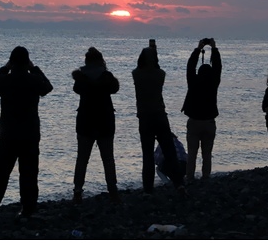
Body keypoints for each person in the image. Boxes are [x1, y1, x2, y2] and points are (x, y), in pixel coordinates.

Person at [0, 46, 53, 223]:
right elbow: (47, 87)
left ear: (12, 62)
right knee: (28, 174)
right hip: (29, 134)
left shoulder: (6, 80)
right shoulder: (33, 80)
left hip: (9, 135)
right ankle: (28, 209)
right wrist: (34, 68)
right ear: (27, 62)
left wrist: (4, 68)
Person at [132, 40, 186, 195]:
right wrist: (154, 51)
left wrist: (150, 51)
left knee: (147, 154)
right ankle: (179, 184)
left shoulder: (137, 74)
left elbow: (140, 69)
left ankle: (148, 189)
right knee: (170, 152)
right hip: (160, 115)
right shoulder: (160, 74)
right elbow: (157, 67)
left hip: (145, 117)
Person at [71, 47, 120, 204]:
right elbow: (115, 88)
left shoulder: (81, 78)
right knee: (108, 158)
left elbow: (76, 89)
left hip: (85, 121)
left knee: (82, 159)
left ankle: (78, 191)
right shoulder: (106, 77)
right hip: (105, 121)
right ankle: (112, 190)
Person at [180, 37, 222, 181]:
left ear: (199, 73)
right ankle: (205, 176)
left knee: (192, 153)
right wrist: (214, 48)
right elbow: (218, 67)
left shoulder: (193, 81)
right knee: (207, 153)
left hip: (194, 122)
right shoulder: (213, 83)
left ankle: (190, 177)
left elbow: (190, 66)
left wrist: (198, 49)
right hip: (209, 122)